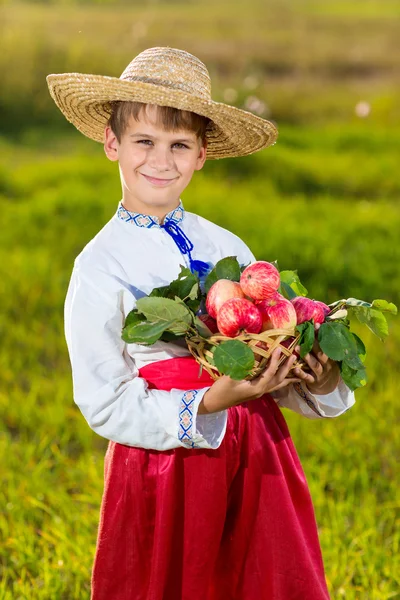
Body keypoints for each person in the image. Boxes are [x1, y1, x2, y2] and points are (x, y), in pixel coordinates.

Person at [47, 47, 355, 600]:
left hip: (257, 454)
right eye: (144, 141)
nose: (160, 160)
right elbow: (103, 402)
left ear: (202, 154)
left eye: (179, 145)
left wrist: (315, 376)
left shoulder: (227, 247)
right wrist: (210, 402)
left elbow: (262, 349)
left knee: (258, 576)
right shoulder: (100, 266)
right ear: (112, 144)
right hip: (168, 467)